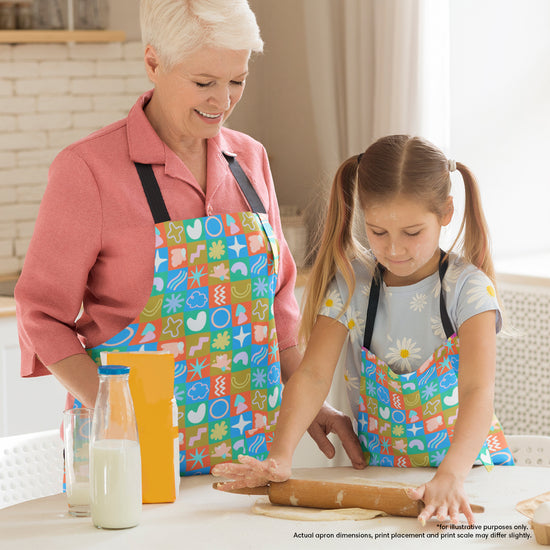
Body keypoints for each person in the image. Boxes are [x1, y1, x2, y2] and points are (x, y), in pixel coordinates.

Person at [15, 0, 362, 475]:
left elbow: (277, 301)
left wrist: (306, 402)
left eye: (237, 80)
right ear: (153, 62)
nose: (223, 100)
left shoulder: (250, 160)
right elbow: (41, 314)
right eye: (204, 83)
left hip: (247, 457)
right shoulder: (88, 170)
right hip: (131, 455)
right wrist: (114, 410)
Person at [212, 135, 514, 523]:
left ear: (446, 212)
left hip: (466, 478)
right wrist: (280, 455)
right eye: (378, 232)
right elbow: (312, 375)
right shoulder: (353, 284)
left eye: (412, 232)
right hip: (381, 479)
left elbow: (477, 391)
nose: (394, 250)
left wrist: (451, 476)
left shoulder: (468, 291)